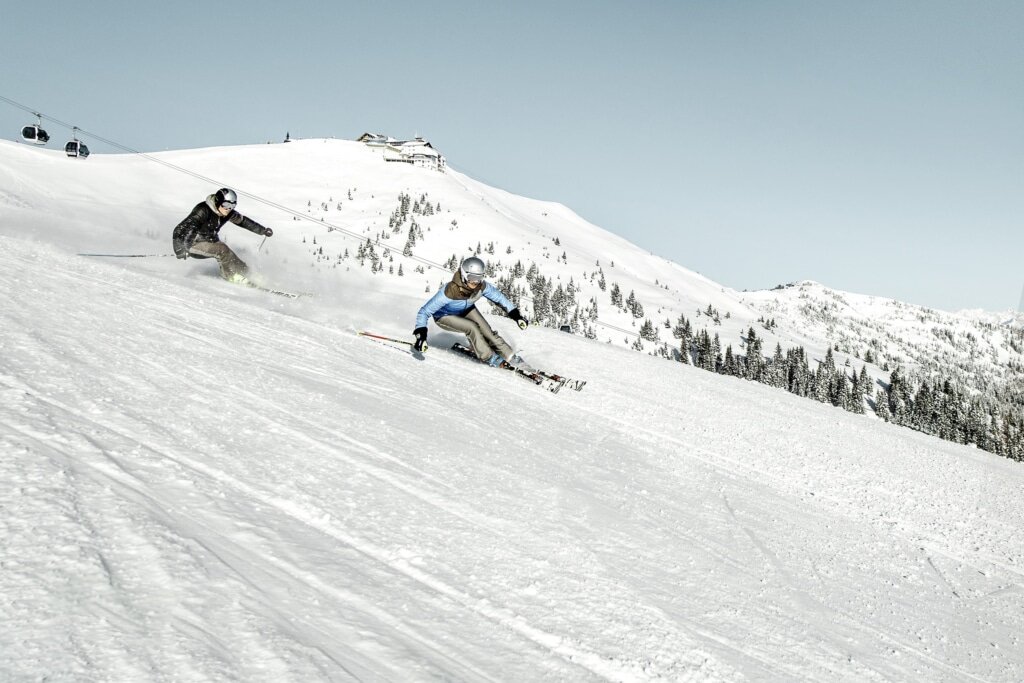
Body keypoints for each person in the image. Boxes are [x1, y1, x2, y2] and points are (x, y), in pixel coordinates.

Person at [414, 256, 529, 367]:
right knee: (472, 327)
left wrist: (516, 315)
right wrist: (421, 336)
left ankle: (510, 356)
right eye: (472, 277)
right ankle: (490, 357)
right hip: (444, 316)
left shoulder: (481, 287)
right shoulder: (450, 291)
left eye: (479, 278)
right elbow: (424, 312)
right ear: (464, 275)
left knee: (487, 332)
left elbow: (500, 298)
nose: (475, 282)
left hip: (466, 310)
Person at [172, 188, 273, 283]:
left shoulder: (227, 212)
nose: (228, 209)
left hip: (210, 241)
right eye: (226, 204)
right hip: (193, 243)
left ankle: (247, 273)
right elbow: (180, 229)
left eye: (232, 206)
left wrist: (262, 230)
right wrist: (180, 248)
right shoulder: (203, 210)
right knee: (222, 250)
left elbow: (243, 221)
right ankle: (230, 276)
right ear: (218, 202)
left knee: (230, 255)